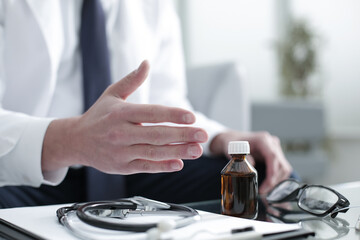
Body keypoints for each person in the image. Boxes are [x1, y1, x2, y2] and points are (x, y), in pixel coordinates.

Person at [0, 1, 293, 208]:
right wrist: (69, 141)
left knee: (267, 176)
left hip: (131, 171)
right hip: (25, 175)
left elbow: (167, 99)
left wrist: (219, 137)